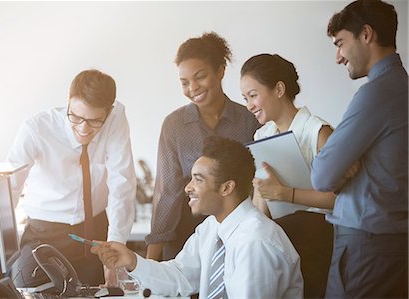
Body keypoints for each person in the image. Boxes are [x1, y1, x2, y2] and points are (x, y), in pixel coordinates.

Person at [92, 136, 303, 298]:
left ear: (227, 187)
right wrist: (131, 260)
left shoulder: (256, 242)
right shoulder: (212, 227)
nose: (187, 188)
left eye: (198, 180)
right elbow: (181, 276)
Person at [311, 0, 408, 298]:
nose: (338, 57)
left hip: (366, 247)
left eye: (341, 43)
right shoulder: (402, 87)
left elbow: (322, 176)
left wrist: (341, 165)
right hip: (394, 244)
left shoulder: (376, 94)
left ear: (366, 34)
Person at [6, 69, 137, 286]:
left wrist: (115, 246)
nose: (83, 129)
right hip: (44, 233)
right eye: (75, 117)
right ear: (68, 101)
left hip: (95, 231)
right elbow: (6, 191)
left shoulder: (115, 119)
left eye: (95, 121)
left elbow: (121, 183)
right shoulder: (36, 129)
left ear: (108, 112)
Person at [145, 32, 259, 261]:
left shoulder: (249, 120)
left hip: (237, 231)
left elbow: (256, 185)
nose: (193, 88)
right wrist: (151, 260)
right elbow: (167, 192)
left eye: (200, 77)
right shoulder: (174, 125)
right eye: (185, 82)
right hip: (185, 233)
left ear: (220, 71)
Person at [240, 53, 338, 298]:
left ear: (279, 89)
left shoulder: (319, 132)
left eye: (253, 95)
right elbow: (261, 198)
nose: (249, 105)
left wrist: (285, 194)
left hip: (316, 238)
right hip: (278, 239)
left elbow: (338, 198)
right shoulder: (263, 135)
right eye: (245, 98)